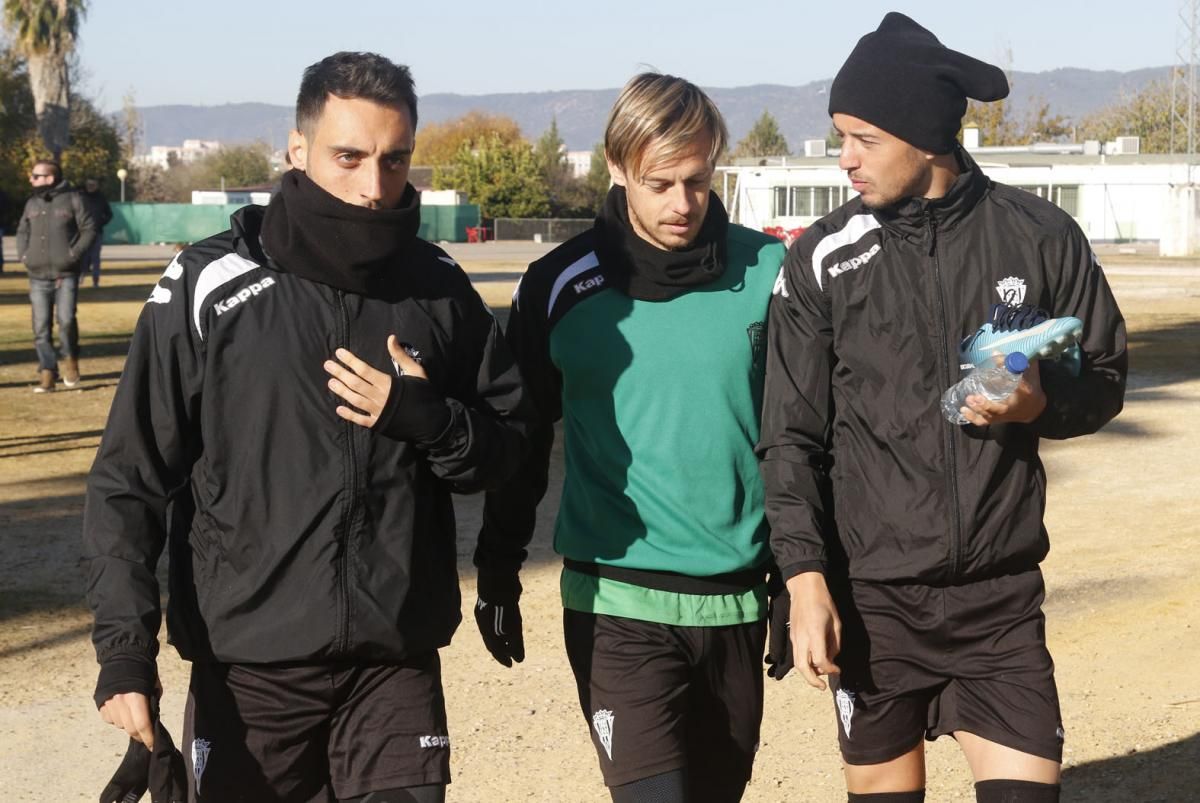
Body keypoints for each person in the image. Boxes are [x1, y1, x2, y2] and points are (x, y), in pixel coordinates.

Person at [84, 51, 531, 803]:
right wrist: (126, 653)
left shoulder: (440, 288)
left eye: (395, 160)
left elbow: (508, 450)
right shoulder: (208, 284)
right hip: (249, 674)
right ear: (297, 151)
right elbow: (129, 478)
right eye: (348, 156)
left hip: (395, 669)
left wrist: (430, 420)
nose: (374, 184)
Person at [758, 13, 1127, 803]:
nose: (844, 158)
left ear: (926, 138)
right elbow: (789, 438)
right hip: (876, 607)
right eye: (839, 136)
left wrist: (1037, 402)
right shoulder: (822, 256)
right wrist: (805, 576)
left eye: (863, 137)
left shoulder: (1041, 237)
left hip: (1000, 603)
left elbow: (1103, 376)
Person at [475, 73, 786, 803]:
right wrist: (496, 569)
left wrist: (802, 574)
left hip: (737, 603)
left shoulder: (769, 270)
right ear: (616, 167)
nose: (682, 203)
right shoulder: (558, 285)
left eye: (698, 181)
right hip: (618, 604)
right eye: (660, 182)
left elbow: (801, 438)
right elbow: (518, 442)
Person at [16, 159, 96, 391]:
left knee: (67, 321)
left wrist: (74, 255)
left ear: (50, 179)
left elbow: (89, 229)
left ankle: (71, 360)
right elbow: (22, 231)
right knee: (40, 327)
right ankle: (47, 372)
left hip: (66, 274)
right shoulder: (31, 203)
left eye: (36, 176)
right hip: (37, 275)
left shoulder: (73, 199)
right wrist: (24, 256)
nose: (31, 179)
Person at [80, 178, 114, 287]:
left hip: (97, 233)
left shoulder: (101, 198)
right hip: (82, 233)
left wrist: (100, 222)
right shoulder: (81, 197)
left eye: (93, 184)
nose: (91, 186)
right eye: (89, 184)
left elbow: (109, 214)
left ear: (97, 185)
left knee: (95, 258)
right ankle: (80, 278)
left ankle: (95, 281)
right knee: (82, 257)